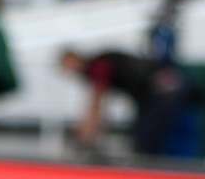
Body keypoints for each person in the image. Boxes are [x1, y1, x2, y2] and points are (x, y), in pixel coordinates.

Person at [60, 47, 188, 158]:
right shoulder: (96, 66)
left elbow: (96, 104)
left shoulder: (98, 66)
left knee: (147, 137)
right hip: (149, 93)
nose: (68, 70)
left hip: (160, 88)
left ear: (75, 58)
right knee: (143, 135)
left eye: (68, 64)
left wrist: (87, 136)